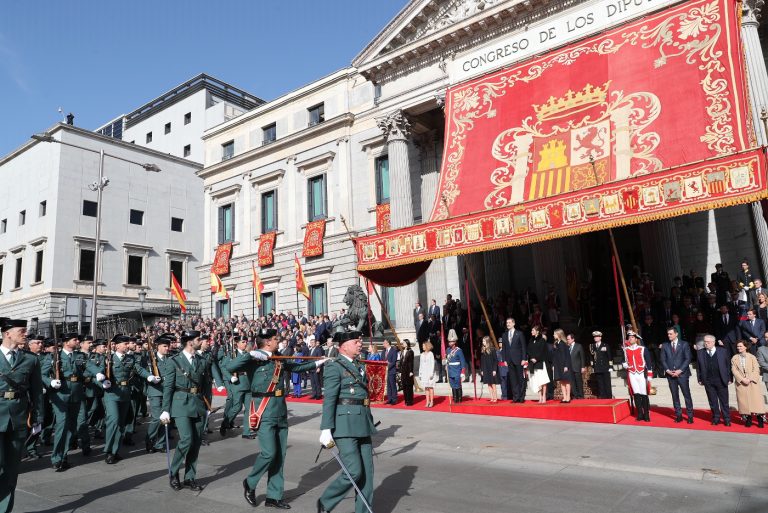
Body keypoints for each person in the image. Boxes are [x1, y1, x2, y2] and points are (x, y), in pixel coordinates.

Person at [237, 328, 327, 509]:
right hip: (264, 411)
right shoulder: (254, 360)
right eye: (275, 339)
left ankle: (274, 496)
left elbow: (297, 367)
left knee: (279, 456)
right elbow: (230, 367)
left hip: (280, 410)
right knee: (269, 453)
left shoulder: (279, 359)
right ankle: (250, 482)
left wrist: (318, 362)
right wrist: (251, 354)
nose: (278, 341)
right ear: (267, 342)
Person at [317, 331, 377, 513]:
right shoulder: (334, 366)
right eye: (356, 341)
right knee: (353, 471)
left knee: (367, 474)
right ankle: (326, 502)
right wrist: (326, 428)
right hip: (344, 425)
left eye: (360, 341)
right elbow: (330, 399)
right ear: (343, 346)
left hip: (363, 423)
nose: (360, 344)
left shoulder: (359, 365)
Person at [41, 333, 106, 471]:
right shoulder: (54, 356)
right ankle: (56, 458)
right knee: (62, 425)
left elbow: (89, 365)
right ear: (66, 342)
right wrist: (50, 382)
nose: (77, 341)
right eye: (74, 340)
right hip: (60, 395)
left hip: (77, 394)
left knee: (71, 427)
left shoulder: (79, 356)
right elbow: (42, 374)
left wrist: (97, 373)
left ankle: (64, 456)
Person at [0, 318, 44, 513]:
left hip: (18, 417)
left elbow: (36, 391)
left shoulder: (31, 359)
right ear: (7, 333)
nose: (26, 334)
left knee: (11, 470)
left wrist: (38, 417)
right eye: (22, 331)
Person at [160, 330, 212, 491]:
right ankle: (174, 472)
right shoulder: (174, 361)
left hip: (198, 404)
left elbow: (206, 385)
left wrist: (208, 406)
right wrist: (165, 409)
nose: (201, 341)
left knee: (195, 442)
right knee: (187, 439)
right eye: (198, 339)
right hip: (180, 403)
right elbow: (168, 387)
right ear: (190, 342)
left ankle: (190, 477)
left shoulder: (202, 360)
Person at [101, 334, 157, 464]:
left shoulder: (130, 358)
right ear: (117, 345)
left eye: (128, 343)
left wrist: (149, 376)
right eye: (125, 344)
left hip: (125, 393)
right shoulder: (108, 358)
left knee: (121, 424)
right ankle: (108, 451)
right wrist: (102, 381)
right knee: (113, 421)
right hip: (112, 393)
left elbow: (139, 369)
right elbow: (98, 371)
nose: (127, 346)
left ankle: (115, 451)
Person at [144, 335, 175, 453]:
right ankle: (150, 438)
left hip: (167, 392)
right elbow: (143, 372)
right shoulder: (150, 359)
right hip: (155, 392)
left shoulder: (170, 359)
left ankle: (160, 443)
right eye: (165, 346)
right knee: (157, 418)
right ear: (158, 347)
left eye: (168, 346)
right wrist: (150, 377)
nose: (167, 348)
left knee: (165, 418)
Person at [696, 334, 732, 426]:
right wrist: (699, 378)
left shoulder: (723, 351)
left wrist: (729, 378)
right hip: (708, 380)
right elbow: (698, 367)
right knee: (712, 401)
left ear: (713, 342)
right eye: (705, 342)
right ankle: (716, 418)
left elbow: (728, 365)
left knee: (724, 401)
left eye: (708, 342)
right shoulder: (700, 352)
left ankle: (727, 418)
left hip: (721, 379)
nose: (706, 343)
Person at [661, 327, 695, 423]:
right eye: (668, 334)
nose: (669, 335)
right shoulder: (665, 345)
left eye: (671, 334)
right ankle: (678, 415)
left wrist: (680, 370)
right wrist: (667, 370)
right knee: (675, 396)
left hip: (682, 374)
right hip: (670, 374)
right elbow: (663, 359)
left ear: (676, 334)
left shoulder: (684, 344)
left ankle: (690, 416)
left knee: (686, 395)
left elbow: (688, 358)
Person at [731, 340, 766, 428]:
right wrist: (742, 379)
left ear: (745, 347)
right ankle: (748, 419)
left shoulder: (752, 357)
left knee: (757, 402)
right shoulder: (734, 358)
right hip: (741, 383)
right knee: (744, 403)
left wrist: (750, 378)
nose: (738, 348)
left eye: (740, 346)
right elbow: (734, 370)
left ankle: (760, 419)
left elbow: (756, 369)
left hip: (752, 382)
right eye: (738, 346)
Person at [623, 331, 654, 422]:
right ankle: (639, 413)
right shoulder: (625, 350)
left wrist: (649, 375)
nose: (630, 339)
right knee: (636, 393)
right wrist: (624, 364)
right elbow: (624, 360)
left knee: (644, 393)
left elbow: (648, 362)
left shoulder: (642, 349)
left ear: (636, 339)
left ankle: (646, 414)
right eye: (629, 337)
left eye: (632, 337)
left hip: (641, 373)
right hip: (632, 373)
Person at [501, 317, 527, 403]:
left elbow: (523, 347)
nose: (508, 324)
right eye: (507, 323)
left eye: (509, 322)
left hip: (519, 359)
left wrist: (524, 358)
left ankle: (521, 397)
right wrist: (504, 359)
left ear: (513, 323)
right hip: (509, 360)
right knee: (513, 380)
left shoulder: (519, 333)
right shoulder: (504, 335)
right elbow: (504, 348)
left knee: (520, 379)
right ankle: (516, 397)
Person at [526, 326, 549, 404]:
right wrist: (531, 358)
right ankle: (540, 397)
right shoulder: (531, 340)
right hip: (533, 363)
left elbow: (543, 351)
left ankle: (544, 396)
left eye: (533, 330)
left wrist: (536, 358)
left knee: (543, 380)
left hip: (540, 362)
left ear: (537, 331)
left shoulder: (542, 340)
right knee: (537, 381)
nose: (531, 332)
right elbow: (528, 350)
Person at [445, 329, 468, 403]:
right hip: (450, 369)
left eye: (451, 341)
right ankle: (455, 398)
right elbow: (447, 359)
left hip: (457, 369)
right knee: (452, 384)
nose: (449, 343)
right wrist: (445, 362)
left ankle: (459, 398)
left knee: (458, 384)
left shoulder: (459, 350)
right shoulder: (447, 350)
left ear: (455, 342)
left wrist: (463, 372)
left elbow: (463, 362)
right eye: (449, 341)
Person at [590, 331, 612, 399]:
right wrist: (593, 367)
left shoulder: (605, 345)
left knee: (607, 383)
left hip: (605, 367)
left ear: (600, 337)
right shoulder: (592, 346)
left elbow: (609, 356)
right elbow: (591, 358)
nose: (595, 338)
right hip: (597, 367)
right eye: (594, 337)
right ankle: (602, 396)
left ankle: (609, 396)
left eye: (597, 337)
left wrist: (610, 366)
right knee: (600, 383)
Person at [551, 329, 572, 403]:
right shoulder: (556, 344)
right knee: (562, 381)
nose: (553, 335)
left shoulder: (564, 344)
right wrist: (553, 365)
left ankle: (568, 397)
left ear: (559, 335)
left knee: (567, 381)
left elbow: (567, 356)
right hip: (558, 365)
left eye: (555, 334)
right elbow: (554, 356)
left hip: (564, 365)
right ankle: (564, 397)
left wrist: (566, 366)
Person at [479, 336, 500, 403]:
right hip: (486, 369)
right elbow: (482, 361)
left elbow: (495, 360)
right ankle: (491, 397)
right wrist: (482, 370)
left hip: (491, 368)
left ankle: (495, 398)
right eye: (482, 341)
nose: (483, 342)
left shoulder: (492, 349)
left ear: (487, 341)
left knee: (493, 384)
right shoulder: (483, 350)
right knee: (489, 384)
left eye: (484, 341)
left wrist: (494, 370)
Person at [565, 333, 585, 399]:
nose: (567, 340)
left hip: (577, 367)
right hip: (570, 368)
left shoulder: (578, 346)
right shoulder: (567, 347)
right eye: (567, 339)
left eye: (568, 339)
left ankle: (581, 396)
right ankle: (575, 395)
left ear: (573, 339)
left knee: (579, 382)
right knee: (572, 383)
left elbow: (582, 357)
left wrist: (582, 367)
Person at [418, 341, 436, 408]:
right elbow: (420, 364)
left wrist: (431, 373)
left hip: (430, 373)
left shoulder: (431, 354)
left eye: (423, 346)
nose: (422, 347)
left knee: (430, 387)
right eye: (422, 346)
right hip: (424, 373)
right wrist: (420, 373)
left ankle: (432, 401)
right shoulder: (422, 354)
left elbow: (432, 364)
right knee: (426, 388)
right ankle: (427, 401)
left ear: (427, 346)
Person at [309, 336, 325, 400]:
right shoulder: (310, 350)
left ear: (315, 343)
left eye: (313, 342)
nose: (312, 344)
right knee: (312, 382)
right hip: (310, 368)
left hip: (316, 368)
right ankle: (314, 394)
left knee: (317, 382)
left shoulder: (318, 349)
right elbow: (308, 360)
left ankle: (319, 394)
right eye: (311, 343)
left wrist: (319, 367)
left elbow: (320, 359)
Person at [400, 340, 414, 406]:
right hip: (403, 371)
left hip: (408, 371)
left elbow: (411, 362)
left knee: (409, 386)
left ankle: (410, 401)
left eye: (404, 343)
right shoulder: (402, 351)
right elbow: (401, 361)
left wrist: (411, 371)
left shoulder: (410, 351)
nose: (403, 344)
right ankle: (406, 401)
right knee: (404, 386)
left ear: (407, 343)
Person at [383, 339, 398, 405]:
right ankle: (389, 399)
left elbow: (394, 361)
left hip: (391, 370)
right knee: (388, 386)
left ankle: (394, 399)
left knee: (392, 385)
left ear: (388, 343)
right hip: (385, 372)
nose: (383, 344)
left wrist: (387, 367)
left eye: (384, 343)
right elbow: (382, 360)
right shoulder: (383, 351)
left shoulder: (393, 351)